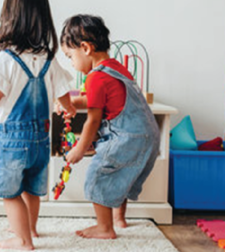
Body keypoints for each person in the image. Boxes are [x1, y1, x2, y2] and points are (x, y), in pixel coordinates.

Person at [0, 0, 76, 251]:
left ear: (9, 19)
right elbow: (65, 98)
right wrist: (67, 109)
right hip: (41, 139)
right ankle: (31, 228)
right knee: (31, 188)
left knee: (10, 192)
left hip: (11, 139)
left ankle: (23, 240)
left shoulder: (5, 60)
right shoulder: (49, 59)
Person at [59, 15, 160, 240]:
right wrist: (75, 102)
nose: (72, 64)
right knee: (120, 175)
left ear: (85, 48)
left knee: (99, 175)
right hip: (148, 134)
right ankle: (118, 219)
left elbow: (93, 120)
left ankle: (105, 228)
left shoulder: (94, 78)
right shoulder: (116, 68)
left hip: (126, 136)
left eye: (70, 57)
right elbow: (105, 100)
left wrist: (79, 148)